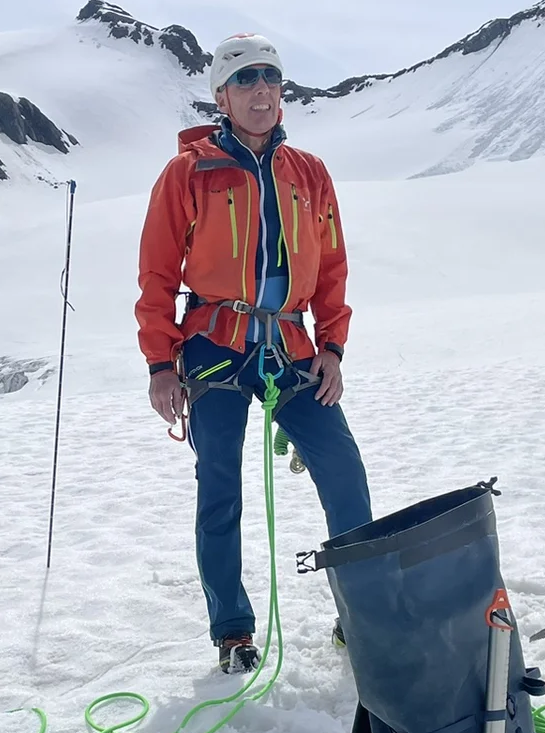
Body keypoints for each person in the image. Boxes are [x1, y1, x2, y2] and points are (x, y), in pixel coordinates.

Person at [136, 34, 372, 673]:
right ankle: (232, 630)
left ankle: (362, 613)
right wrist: (162, 363)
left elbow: (331, 267)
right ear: (221, 95)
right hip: (214, 345)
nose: (261, 89)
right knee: (219, 489)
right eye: (246, 80)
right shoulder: (189, 172)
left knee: (343, 471)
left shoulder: (309, 173)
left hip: (295, 347)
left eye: (270, 77)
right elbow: (157, 273)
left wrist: (334, 346)